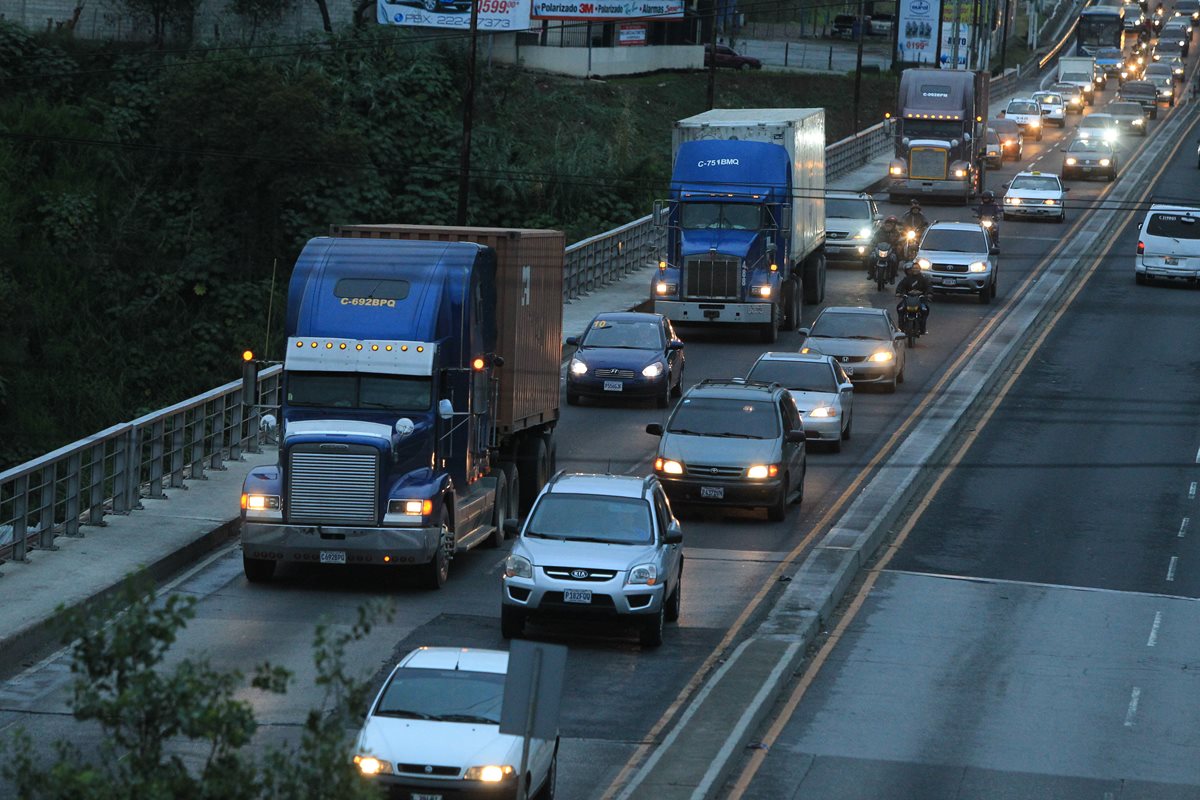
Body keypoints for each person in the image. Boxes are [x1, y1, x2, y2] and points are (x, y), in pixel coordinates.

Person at [895, 262, 931, 335]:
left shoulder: (924, 279)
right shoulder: (907, 278)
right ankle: (900, 328)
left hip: (920, 299)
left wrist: (929, 294)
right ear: (911, 269)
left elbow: (929, 287)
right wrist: (898, 292)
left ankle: (922, 329)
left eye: (917, 268)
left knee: (925, 310)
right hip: (908, 298)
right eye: (914, 268)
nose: (915, 270)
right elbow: (901, 286)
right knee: (900, 309)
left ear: (920, 269)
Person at [870, 215, 902, 281]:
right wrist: (872, 245)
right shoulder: (879, 232)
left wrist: (898, 245)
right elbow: (874, 240)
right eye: (888, 223)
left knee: (895, 260)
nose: (889, 225)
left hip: (891, 250)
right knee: (871, 258)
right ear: (885, 224)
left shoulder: (896, 233)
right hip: (879, 249)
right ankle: (871, 273)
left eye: (892, 223)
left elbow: (899, 241)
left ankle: (892, 276)